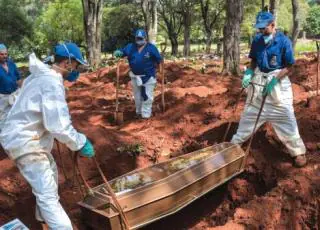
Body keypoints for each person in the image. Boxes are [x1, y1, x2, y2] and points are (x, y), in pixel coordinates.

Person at [0, 42, 95, 229]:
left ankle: (44, 223)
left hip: (26, 138)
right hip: (25, 141)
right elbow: (58, 124)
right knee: (48, 195)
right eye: (76, 65)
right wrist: (80, 142)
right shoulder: (50, 82)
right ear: (67, 63)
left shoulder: (40, 77)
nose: (76, 70)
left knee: (50, 177)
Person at [231, 12, 307, 167]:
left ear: (273, 25)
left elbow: (290, 66)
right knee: (249, 114)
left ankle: (297, 151)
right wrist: (248, 74)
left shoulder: (283, 42)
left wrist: (274, 82)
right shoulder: (257, 40)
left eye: (264, 28)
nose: (261, 31)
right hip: (259, 80)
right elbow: (253, 61)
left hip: (277, 81)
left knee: (286, 116)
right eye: (259, 29)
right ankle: (234, 145)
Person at [113, 29, 163, 119]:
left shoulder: (151, 48)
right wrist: (118, 53)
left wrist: (160, 71)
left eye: (141, 38)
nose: (139, 40)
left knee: (147, 96)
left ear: (145, 39)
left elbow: (159, 60)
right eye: (137, 38)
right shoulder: (130, 47)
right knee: (137, 96)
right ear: (135, 38)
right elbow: (122, 52)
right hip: (135, 76)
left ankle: (146, 115)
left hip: (148, 76)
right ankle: (139, 113)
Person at [0, 43, 22, 130]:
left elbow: (18, 78)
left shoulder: (11, 63)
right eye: (1, 54)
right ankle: (4, 139)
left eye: (5, 54)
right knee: (3, 119)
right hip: (2, 98)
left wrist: (24, 89)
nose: (4, 56)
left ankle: (15, 135)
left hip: (15, 94)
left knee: (17, 116)